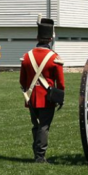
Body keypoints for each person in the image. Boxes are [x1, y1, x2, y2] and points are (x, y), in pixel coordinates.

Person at [19, 18, 65, 164]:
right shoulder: (54, 58)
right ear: (50, 38)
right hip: (47, 97)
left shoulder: (27, 56)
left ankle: (36, 153)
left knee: (36, 126)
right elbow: (61, 83)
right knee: (44, 127)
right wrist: (60, 97)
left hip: (31, 97)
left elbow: (22, 81)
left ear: (37, 38)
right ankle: (40, 156)